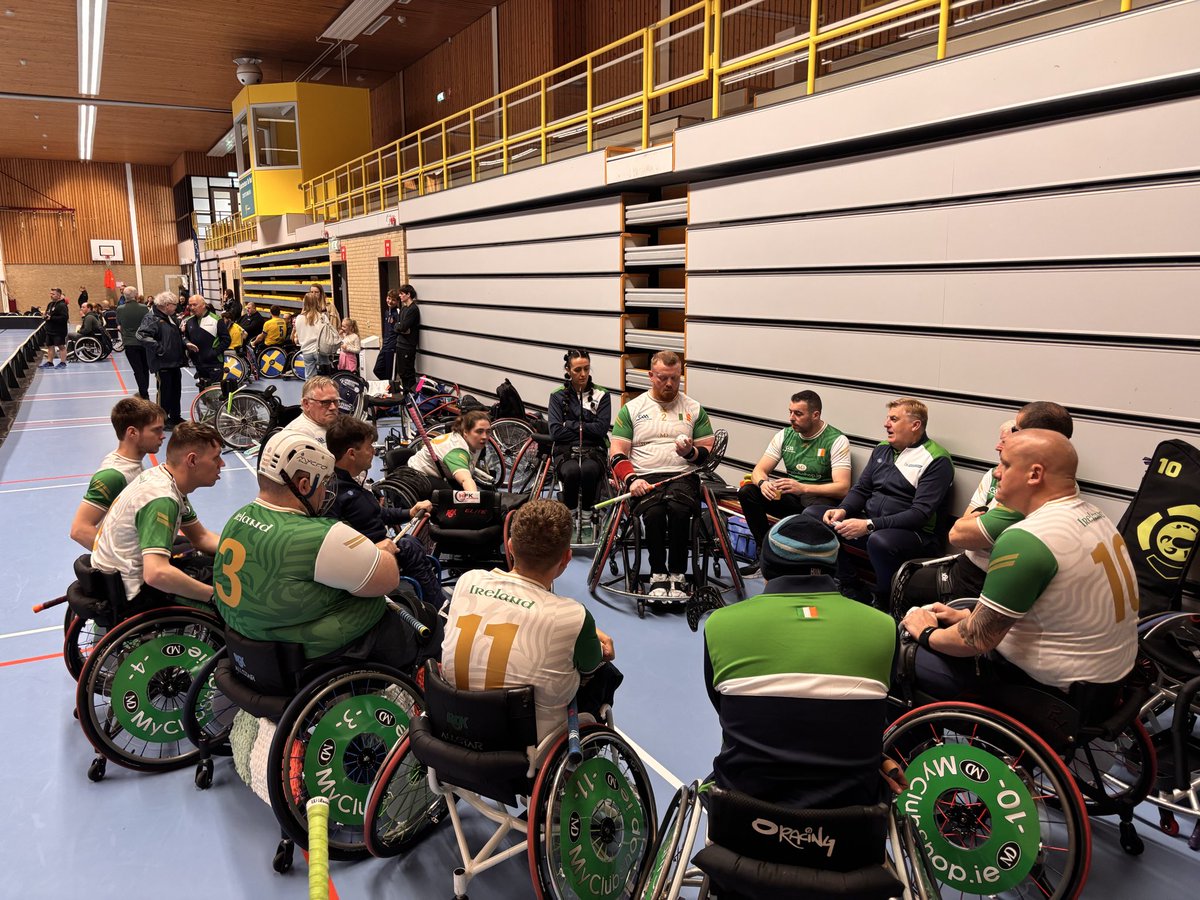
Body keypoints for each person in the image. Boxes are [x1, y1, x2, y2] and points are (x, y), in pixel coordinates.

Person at [900, 430, 1139, 699]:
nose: (997, 473)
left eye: (1005, 464)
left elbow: (974, 640)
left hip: (1052, 689)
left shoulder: (1028, 538)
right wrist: (968, 616)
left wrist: (926, 632)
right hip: (1108, 682)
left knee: (899, 652)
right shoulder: (1094, 515)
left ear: (1034, 474)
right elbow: (1055, 609)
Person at [704, 516, 897, 808]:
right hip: (851, 818)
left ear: (766, 565)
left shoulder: (721, 624)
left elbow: (722, 706)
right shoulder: (883, 626)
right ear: (833, 567)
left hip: (744, 811)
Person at [214, 430, 436, 668]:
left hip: (250, 646)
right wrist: (383, 553)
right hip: (308, 651)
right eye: (323, 484)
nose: (325, 492)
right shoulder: (321, 534)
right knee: (427, 622)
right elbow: (388, 579)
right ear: (304, 484)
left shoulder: (238, 517)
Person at [441, 499, 618, 742]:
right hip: (524, 748)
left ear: (511, 547)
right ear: (566, 558)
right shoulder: (574, 616)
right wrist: (589, 637)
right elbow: (590, 666)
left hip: (452, 726)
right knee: (607, 674)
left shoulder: (468, 581)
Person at [902, 401, 1075, 607]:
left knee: (908, 583)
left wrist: (977, 521)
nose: (998, 472)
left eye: (1016, 431)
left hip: (984, 577)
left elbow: (958, 535)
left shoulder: (1030, 488)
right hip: (969, 563)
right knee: (909, 572)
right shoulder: (1054, 482)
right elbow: (964, 525)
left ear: (1035, 437)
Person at [817, 398, 954, 605]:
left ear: (915, 425)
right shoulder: (882, 449)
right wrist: (843, 510)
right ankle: (851, 585)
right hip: (873, 526)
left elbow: (919, 514)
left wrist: (869, 525)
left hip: (916, 536)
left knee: (879, 540)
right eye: (887, 418)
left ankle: (886, 600)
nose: (886, 424)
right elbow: (862, 489)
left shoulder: (936, 459)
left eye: (893, 419)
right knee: (815, 515)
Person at [609, 350, 715, 600]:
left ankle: (677, 575)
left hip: (682, 477)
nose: (669, 384)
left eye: (675, 378)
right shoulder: (632, 409)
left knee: (679, 511)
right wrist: (632, 480)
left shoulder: (694, 409)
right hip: (644, 477)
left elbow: (707, 453)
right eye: (662, 378)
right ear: (650, 376)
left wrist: (690, 453)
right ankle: (657, 574)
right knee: (654, 513)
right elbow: (616, 453)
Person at [90, 422, 224, 607]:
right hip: (134, 592)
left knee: (199, 551)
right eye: (216, 458)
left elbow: (201, 537)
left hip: (116, 578)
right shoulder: (162, 499)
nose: (222, 464)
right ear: (192, 460)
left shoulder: (163, 477)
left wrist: (242, 552)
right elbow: (156, 574)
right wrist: (213, 596)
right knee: (227, 577)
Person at [325, 415, 441, 603]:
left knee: (411, 543)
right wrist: (372, 548)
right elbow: (333, 542)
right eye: (369, 446)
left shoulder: (354, 483)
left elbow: (377, 514)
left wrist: (409, 512)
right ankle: (441, 609)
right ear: (351, 454)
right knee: (409, 546)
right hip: (366, 560)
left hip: (382, 549)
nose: (373, 451)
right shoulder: (333, 493)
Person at [737, 389, 851, 577]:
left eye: (798, 414)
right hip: (793, 499)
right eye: (790, 412)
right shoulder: (785, 435)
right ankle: (765, 555)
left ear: (815, 415)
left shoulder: (836, 440)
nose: (791, 418)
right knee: (748, 491)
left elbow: (842, 488)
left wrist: (803, 487)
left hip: (820, 501)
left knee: (810, 512)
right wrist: (763, 484)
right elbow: (758, 470)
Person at [70, 398, 167, 550]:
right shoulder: (113, 476)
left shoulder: (133, 463)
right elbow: (80, 530)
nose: (163, 436)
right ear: (132, 432)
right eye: (156, 430)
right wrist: (123, 561)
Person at [548, 349, 611, 521]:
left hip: (594, 450)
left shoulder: (603, 395)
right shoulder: (557, 396)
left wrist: (569, 424)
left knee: (589, 470)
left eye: (586, 368)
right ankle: (570, 512)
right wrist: (587, 428)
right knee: (573, 471)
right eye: (577, 370)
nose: (583, 374)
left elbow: (601, 430)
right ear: (568, 370)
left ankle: (587, 513)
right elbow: (555, 432)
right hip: (565, 450)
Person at [406, 410, 491, 494]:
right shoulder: (456, 451)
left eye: (488, 432)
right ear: (465, 432)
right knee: (449, 497)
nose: (484, 436)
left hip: (438, 472)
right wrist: (476, 502)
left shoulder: (471, 440)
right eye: (479, 431)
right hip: (417, 476)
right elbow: (466, 480)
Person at [136, 291, 187, 428]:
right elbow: (141, 335)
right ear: (166, 305)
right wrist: (160, 349)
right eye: (174, 305)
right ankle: (162, 420)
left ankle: (175, 416)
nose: (176, 307)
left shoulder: (170, 317)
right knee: (164, 393)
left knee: (176, 390)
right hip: (163, 362)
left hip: (174, 361)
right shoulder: (151, 318)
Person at [183, 294, 230, 385]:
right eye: (190, 305)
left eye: (195, 305)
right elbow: (185, 338)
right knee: (203, 394)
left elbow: (226, 340)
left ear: (203, 305)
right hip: (199, 364)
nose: (192, 307)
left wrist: (214, 352)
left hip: (214, 364)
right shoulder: (189, 321)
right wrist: (187, 343)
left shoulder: (216, 320)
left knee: (214, 394)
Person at [281, 375, 340, 446]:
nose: (333, 407)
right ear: (306, 404)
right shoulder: (299, 436)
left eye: (336, 401)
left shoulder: (328, 423)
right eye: (325, 402)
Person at [117, 287, 152, 398]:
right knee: (145, 368)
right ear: (136, 295)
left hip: (129, 343)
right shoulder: (144, 308)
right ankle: (144, 390)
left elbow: (120, 324)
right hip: (143, 342)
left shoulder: (120, 309)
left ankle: (143, 392)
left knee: (137, 370)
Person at [291, 289, 331, 378]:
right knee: (325, 377)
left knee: (309, 377)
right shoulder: (322, 317)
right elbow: (327, 332)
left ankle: (309, 391)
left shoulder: (299, 318)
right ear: (316, 302)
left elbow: (298, 332)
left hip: (306, 350)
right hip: (320, 350)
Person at [395, 283, 420, 391]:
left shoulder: (413, 309)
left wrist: (400, 327)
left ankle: (411, 396)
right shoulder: (404, 309)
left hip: (408, 346)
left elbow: (404, 327)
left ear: (408, 294)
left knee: (408, 372)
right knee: (401, 372)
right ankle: (405, 396)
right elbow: (397, 326)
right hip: (400, 344)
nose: (400, 296)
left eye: (401, 294)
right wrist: (400, 327)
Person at [373, 289, 401, 381]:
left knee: (390, 374)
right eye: (389, 298)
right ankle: (387, 385)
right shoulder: (386, 312)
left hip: (392, 347)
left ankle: (390, 389)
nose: (390, 301)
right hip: (385, 346)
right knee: (377, 369)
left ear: (397, 301)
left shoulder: (397, 313)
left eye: (393, 300)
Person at [40, 287, 70, 369]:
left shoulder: (62, 305)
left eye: (53, 294)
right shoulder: (50, 304)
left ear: (58, 295)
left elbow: (64, 318)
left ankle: (63, 363)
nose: (51, 295)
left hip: (59, 330)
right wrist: (45, 316)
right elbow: (48, 314)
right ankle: (50, 362)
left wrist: (52, 318)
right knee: (50, 346)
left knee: (61, 346)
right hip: (50, 329)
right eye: (51, 294)